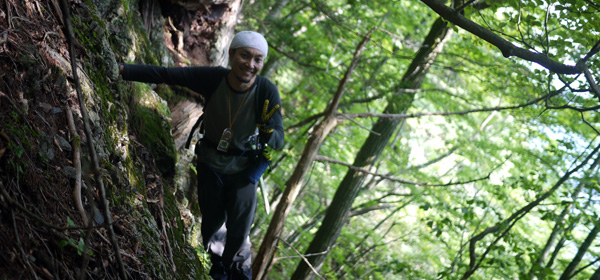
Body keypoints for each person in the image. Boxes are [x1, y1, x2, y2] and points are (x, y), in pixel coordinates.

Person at [119, 31, 284, 279]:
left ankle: (239, 275)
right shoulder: (214, 79)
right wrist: (123, 70)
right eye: (245, 55)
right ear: (232, 54)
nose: (250, 64)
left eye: (258, 59)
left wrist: (268, 129)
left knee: (239, 232)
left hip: (245, 170)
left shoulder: (266, 92)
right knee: (212, 227)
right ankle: (218, 272)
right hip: (211, 163)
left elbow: (279, 139)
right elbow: (167, 75)